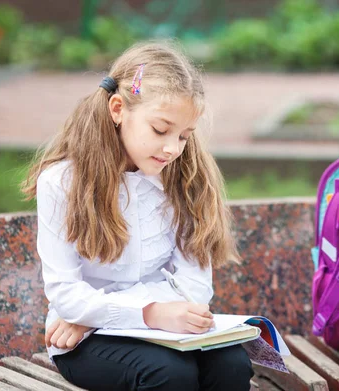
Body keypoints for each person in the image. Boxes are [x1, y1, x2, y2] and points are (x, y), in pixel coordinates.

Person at [21, 41, 254, 391]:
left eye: (184, 136)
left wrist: (96, 316)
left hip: (107, 324)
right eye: (161, 130)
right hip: (81, 341)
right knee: (168, 374)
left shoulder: (184, 178)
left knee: (231, 364)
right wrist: (148, 312)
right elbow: (67, 295)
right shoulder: (62, 183)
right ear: (118, 108)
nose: (173, 148)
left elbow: (194, 286)